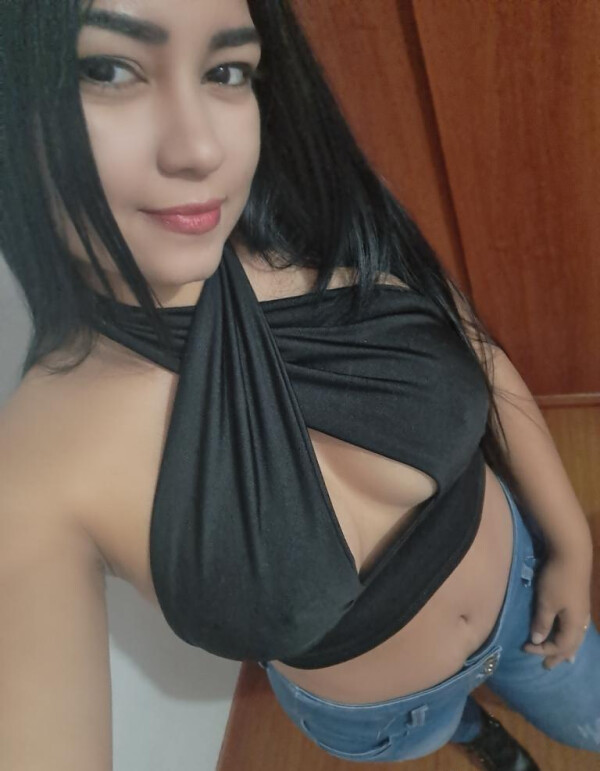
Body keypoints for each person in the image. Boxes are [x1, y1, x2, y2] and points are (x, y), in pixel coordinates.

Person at [0, 0, 598, 769]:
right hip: (386, 717)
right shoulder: (36, 473)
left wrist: (571, 542)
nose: (201, 148)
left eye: (226, 71)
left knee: (589, 725)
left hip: (531, 594)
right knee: (458, 738)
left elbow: (477, 351)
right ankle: (474, 735)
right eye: (108, 69)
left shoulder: (313, 214)